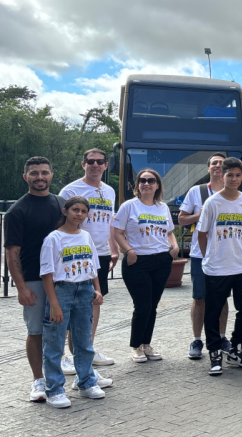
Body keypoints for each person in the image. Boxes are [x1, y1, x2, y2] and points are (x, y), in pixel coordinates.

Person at [4, 157, 67, 402]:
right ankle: (38, 380)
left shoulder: (62, 204)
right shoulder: (17, 211)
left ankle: (59, 375)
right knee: (36, 330)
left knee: (61, 329)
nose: (39, 177)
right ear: (25, 177)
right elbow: (12, 252)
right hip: (33, 279)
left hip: (64, 279)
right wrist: (20, 287)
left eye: (44, 172)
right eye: (34, 173)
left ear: (52, 175)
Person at [39, 197, 111, 408]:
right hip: (62, 289)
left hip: (85, 288)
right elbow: (47, 273)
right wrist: (54, 303)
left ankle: (86, 380)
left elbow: (93, 266)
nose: (79, 214)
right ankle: (54, 388)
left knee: (83, 340)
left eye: (83, 211)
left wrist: (97, 289)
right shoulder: (54, 238)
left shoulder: (86, 236)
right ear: (65, 211)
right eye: (75, 210)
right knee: (54, 341)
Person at [196, 157, 242, 376]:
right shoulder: (212, 202)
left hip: (241, 265)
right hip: (217, 267)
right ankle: (214, 351)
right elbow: (202, 234)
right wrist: (208, 258)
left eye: (238, 175)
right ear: (222, 175)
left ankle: (236, 348)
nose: (233, 179)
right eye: (229, 175)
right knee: (213, 311)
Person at [112, 169, 179, 363]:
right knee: (142, 306)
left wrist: (173, 248)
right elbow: (117, 232)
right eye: (142, 180)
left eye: (151, 181)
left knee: (152, 306)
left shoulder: (162, 207)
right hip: (137, 261)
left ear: (157, 185)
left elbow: (169, 232)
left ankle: (146, 344)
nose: (146, 184)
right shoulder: (129, 206)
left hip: (161, 261)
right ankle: (135, 346)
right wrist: (129, 251)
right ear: (137, 185)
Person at [59, 148, 119, 367]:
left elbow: (109, 222)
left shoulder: (110, 191)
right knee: (72, 302)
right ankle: (67, 354)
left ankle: (88, 349)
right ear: (83, 164)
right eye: (90, 161)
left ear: (105, 165)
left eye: (100, 162)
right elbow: (61, 222)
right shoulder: (70, 189)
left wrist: (113, 248)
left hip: (100, 254)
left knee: (95, 300)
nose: (95, 165)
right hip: (76, 255)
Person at [178, 152, 229, 360]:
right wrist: (202, 213)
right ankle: (197, 339)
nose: (218, 166)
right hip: (201, 254)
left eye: (222, 163)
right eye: (214, 163)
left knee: (223, 297)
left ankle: (222, 337)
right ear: (208, 168)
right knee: (200, 298)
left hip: (225, 254)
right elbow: (182, 220)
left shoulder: (233, 192)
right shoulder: (196, 192)